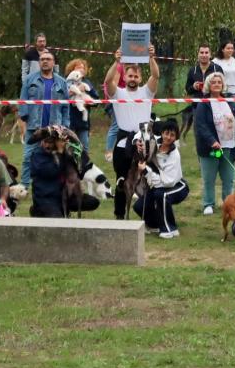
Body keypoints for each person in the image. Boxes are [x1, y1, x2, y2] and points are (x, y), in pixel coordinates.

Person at [103, 47, 159, 220]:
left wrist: (151, 57)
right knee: (121, 180)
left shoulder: (147, 92)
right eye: (130, 76)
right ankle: (120, 216)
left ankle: (150, 218)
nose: (133, 79)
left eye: (136, 76)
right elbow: (107, 81)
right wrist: (117, 61)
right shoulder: (117, 93)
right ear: (124, 77)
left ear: (140, 78)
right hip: (123, 143)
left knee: (149, 180)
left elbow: (156, 76)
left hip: (144, 141)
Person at [193, 71, 235, 216]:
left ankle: (228, 203)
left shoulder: (229, 102)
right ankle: (208, 203)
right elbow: (200, 126)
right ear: (208, 85)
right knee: (209, 178)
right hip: (211, 149)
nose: (217, 85)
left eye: (219, 82)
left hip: (229, 147)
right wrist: (212, 141)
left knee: (229, 179)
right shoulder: (204, 104)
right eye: (213, 82)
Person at [25, 125, 97, 218]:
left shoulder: (65, 152)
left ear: (56, 142)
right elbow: (51, 171)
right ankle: (38, 210)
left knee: (92, 202)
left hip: (65, 195)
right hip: (46, 198)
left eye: (50, 142)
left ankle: (63, 209)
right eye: (45, 142)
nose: (47, 145)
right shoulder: (38, 155)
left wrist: (73, 149)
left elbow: (81, 169)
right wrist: (59, 152)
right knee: (57, 220)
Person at [134, 123, 188, 238]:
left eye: (172, 135)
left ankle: (170, 229)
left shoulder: (174, 155)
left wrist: (146, 172)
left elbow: (168, 182)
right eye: (166, 133)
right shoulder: (154, 142)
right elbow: (139, 135)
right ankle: (156, 225)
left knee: (161, 195)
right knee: (138, 206)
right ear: (162, 133)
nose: (168, 137)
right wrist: (136, 142)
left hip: (177, 186)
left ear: (176, 138)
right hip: (158, 184)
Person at [19, 50, 68, 170]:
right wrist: (24, 115)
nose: (45, 61)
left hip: (55, 128)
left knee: (56, 158)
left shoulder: (62, 82)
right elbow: (23, 99)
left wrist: (66, 125)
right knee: (27, 157)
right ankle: (24, 186)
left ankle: (55, 185)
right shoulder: (29, 79)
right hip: (34, 127)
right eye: (42, 59)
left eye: (48, 59)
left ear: (54, 63)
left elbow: (66, 106)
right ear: (39, 62)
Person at [62, 58, 99, 169]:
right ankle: (68, 171)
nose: (81, 69)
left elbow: (96, 99)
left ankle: (84, 170)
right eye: (78, 67)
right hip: (69, 121)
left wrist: (89, 100)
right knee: (69, 148)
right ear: (72, 69)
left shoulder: (87, 83)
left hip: (83, 122)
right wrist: (73, 91)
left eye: (83, 68)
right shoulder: (65, 82)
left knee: (84, 148)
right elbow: (61, 98)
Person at [185, 44, 214, 135]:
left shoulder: (216, 68)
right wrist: (193, 87)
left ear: (210, 55)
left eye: (206, 53)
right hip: (197, 106)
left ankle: (216, 150)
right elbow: (188, 89)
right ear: (198, 54)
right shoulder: (192, 70)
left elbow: (223, 88)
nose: (204, 55)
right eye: (201, 52)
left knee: (214, 133)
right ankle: (200, 149)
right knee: (198, 133)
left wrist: (211, 87)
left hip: (214, 106)